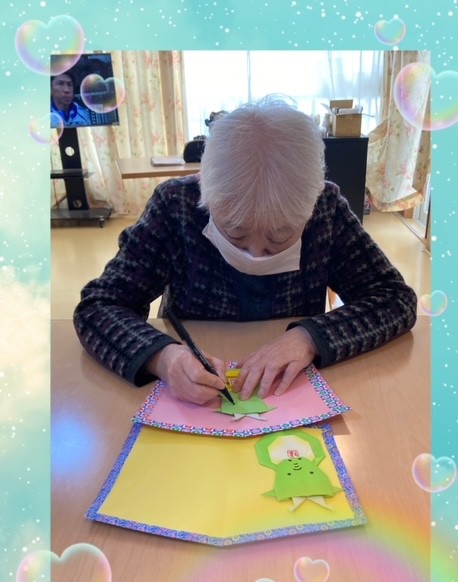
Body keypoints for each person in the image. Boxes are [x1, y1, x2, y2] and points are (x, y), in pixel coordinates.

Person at [73, 97, 417, 405]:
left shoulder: (326, 210)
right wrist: (163, 358)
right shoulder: (176, 207)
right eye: (235, 234)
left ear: (309, 207)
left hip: (291, 394)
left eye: (279, 237)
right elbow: (98, 307)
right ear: (207, 196)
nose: (256, 253)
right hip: (193, 396)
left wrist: (309, 338)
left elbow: (395, 299)